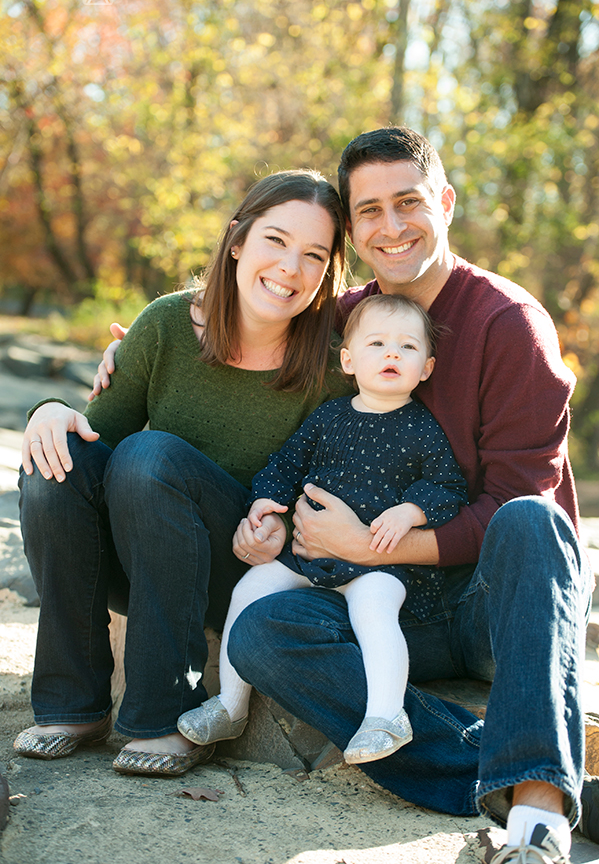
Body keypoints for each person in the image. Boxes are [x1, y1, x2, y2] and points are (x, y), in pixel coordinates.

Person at [88, 128, 594, 863]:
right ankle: (498, 771)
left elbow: (516, 503)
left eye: (408, 202)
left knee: (528, 520)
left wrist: (365, 544)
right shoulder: (347, 324)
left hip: (492, 604)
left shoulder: (507, 325)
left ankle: (540, 808)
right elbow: (244, 323)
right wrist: (136, 345)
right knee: (263, 628)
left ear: (444, 203)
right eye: (369, 212)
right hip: (386, 604)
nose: (391, 226)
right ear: (352, 232)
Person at [13, 169, 352, 777]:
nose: (290, 268)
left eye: (314, 255)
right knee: (54, 464)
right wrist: (47, 412)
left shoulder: (329, 370)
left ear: (328, 273)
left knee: (149, 457)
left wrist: (281, 531)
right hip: (141, 558)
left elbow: (329, 499)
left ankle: (167, 715)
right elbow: (95, 440)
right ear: (237, 240)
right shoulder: (168, 324)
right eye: (275, 240)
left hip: (239, 573)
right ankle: (73, 704)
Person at [176, 294, 468, 765]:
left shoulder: (423, 429)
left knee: (375, 610)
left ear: (427, 368)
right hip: (307, 553)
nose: (392, 354)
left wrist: (411, 511)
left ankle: (385, 715)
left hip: (378, 560)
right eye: (377, 343)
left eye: (407, 347)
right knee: (251, 588)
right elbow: (288, 462)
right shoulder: (329, 417)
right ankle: (230, 704)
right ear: (349, 360)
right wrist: (266, 503)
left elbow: (448, 486)